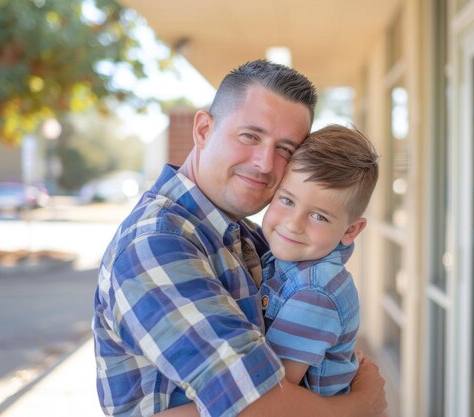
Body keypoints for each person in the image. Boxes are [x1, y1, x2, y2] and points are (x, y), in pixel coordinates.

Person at [92, 59, 386, 417]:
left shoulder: (247, 237)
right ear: (202, 130)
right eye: (250, 136)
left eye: (285, 149)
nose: (264, 163)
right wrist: (359, 405)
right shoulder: (155, 245)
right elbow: (253, 407)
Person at [259, 124, 379, 396]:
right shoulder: (283, 259)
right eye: (287, 201)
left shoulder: (315, 292)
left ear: (350, 230)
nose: (293, 224)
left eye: (319, 216)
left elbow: (274, 391)